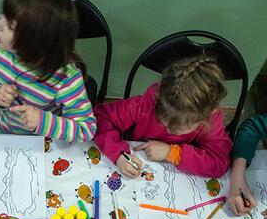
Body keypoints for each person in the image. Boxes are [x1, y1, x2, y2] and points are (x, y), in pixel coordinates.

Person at [0, 0, 96, 142]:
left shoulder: (66, 77)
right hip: (6, 135)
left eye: (9, 25)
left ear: (34, 41)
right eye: (3, 16)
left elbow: (86, 129)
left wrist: (44, 122)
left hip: (48, 145)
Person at [93, 55, 231, 178]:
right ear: (159, 96)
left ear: (210, 112)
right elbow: (101, 118)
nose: (170, 130)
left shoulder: (210, 120)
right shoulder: (146, 104)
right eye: (164, 120)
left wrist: (173, 153)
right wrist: (118, 155)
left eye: (180, 127)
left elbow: (219, 162)